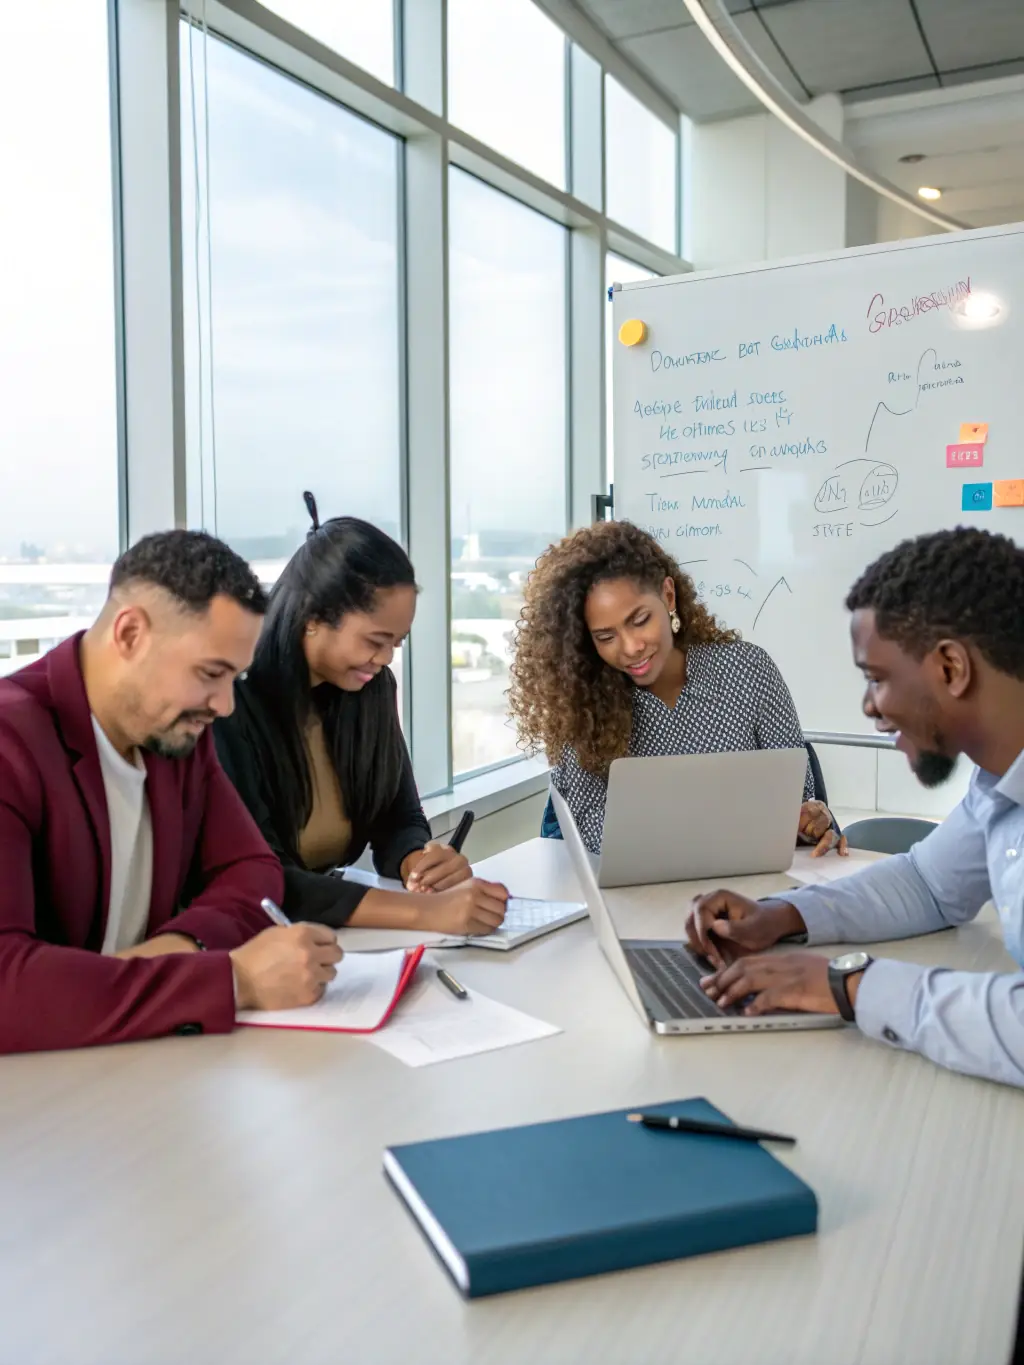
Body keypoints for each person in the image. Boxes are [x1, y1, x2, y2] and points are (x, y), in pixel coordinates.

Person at [687, 527, 1024, 1089]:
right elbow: (928, 884)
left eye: (877, 679)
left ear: (950, 668)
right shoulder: (998, 781)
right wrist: (785, 917)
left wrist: (849, 985)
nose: (869, 708)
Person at [0, 531, 343, 1055]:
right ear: (131, 633)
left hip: (143, 1059)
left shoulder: (174, 734)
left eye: (235, 678)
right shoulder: (11, 744)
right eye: (210, 673)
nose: (225, 706)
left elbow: (252, 870)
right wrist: (233, 981)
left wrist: (179, 950)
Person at [215, 495, 508, 935]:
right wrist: (426, 914)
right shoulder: (228, 702)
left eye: (398, 642)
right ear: (313, 617)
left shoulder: (368, 689)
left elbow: (398, 816)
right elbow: (266, 879)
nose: (386, 658)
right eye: (375, 641)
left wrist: (419, 864)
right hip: (255, 937)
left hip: (335, 932)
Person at [507, 520, 842, 857]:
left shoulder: (748, 669)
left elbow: (798, 802)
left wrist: (814, 821)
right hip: (641, 897)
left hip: (752, 889)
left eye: (640, 620)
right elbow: (591, 834)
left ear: (668, 596)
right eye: (606, 637)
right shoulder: (582, 707)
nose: (631, 647)